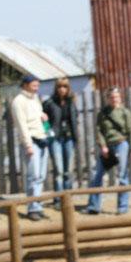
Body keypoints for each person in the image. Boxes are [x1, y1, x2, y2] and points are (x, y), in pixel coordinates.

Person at [84, 87, 131, 214]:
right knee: (98, 175)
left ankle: (122, 207)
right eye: (112, 97)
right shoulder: (103, 113)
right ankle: (94, 206)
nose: (114, 99)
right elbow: (99, 131)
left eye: (116, 97)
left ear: (120, 97)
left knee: (122, 176)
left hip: (121, 144)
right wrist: (103, 146)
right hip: (107, 147)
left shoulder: (125, 112)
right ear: (107, 99)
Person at [11, 74, 49, 221]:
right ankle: (32, 208)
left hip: (41, 138)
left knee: (41, 176)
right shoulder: (18, 101)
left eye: (38, 85)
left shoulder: (35, 99)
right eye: (34, 85)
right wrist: (28, 145)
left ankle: (38, 206)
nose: (37, 88)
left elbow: (36, 115)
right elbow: (22, 125)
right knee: (33, 176)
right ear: (25, 85)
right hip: (31, 141)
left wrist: (42, 115)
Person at [43, 77, 79, 207]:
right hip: (55, 139)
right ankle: (58, 200)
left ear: (68, 88)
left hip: (69, 138)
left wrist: (75, 137)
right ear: (56, 88)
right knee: (58, 170)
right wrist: (48, 132)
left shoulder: (71, 102)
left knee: (68, 171)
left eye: (65, 86)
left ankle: (67, 198)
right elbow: (44, 121)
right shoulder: (49, 103)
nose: (62, 89)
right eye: (59, 87)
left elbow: (74, 120)